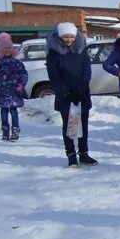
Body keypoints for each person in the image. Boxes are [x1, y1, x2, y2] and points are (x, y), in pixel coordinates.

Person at [46, 22, 97, 168]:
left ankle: (84, 153)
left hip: (82, 94)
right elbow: (54, 76)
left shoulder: (81, 51)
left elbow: (87, 71)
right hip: (65, 96)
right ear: (60, 37)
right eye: (66, 37)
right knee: (70, 126)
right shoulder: (54, 54)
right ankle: (71, 155)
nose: (69, 40)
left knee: (83, 125)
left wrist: (82, 89)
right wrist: (66, 92)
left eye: (71, 37)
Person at [0, 32, 27, 141]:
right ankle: (5, 132)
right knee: (4, 112)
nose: (6, 50)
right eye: (4, 48)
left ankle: (15, 131)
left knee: (13, 111)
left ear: (12, 49)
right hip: (2, 91)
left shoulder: (16, 62)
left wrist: (21, 84)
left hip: (14, 91)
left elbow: (23, 74)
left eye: (9, 48)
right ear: (0, 50)